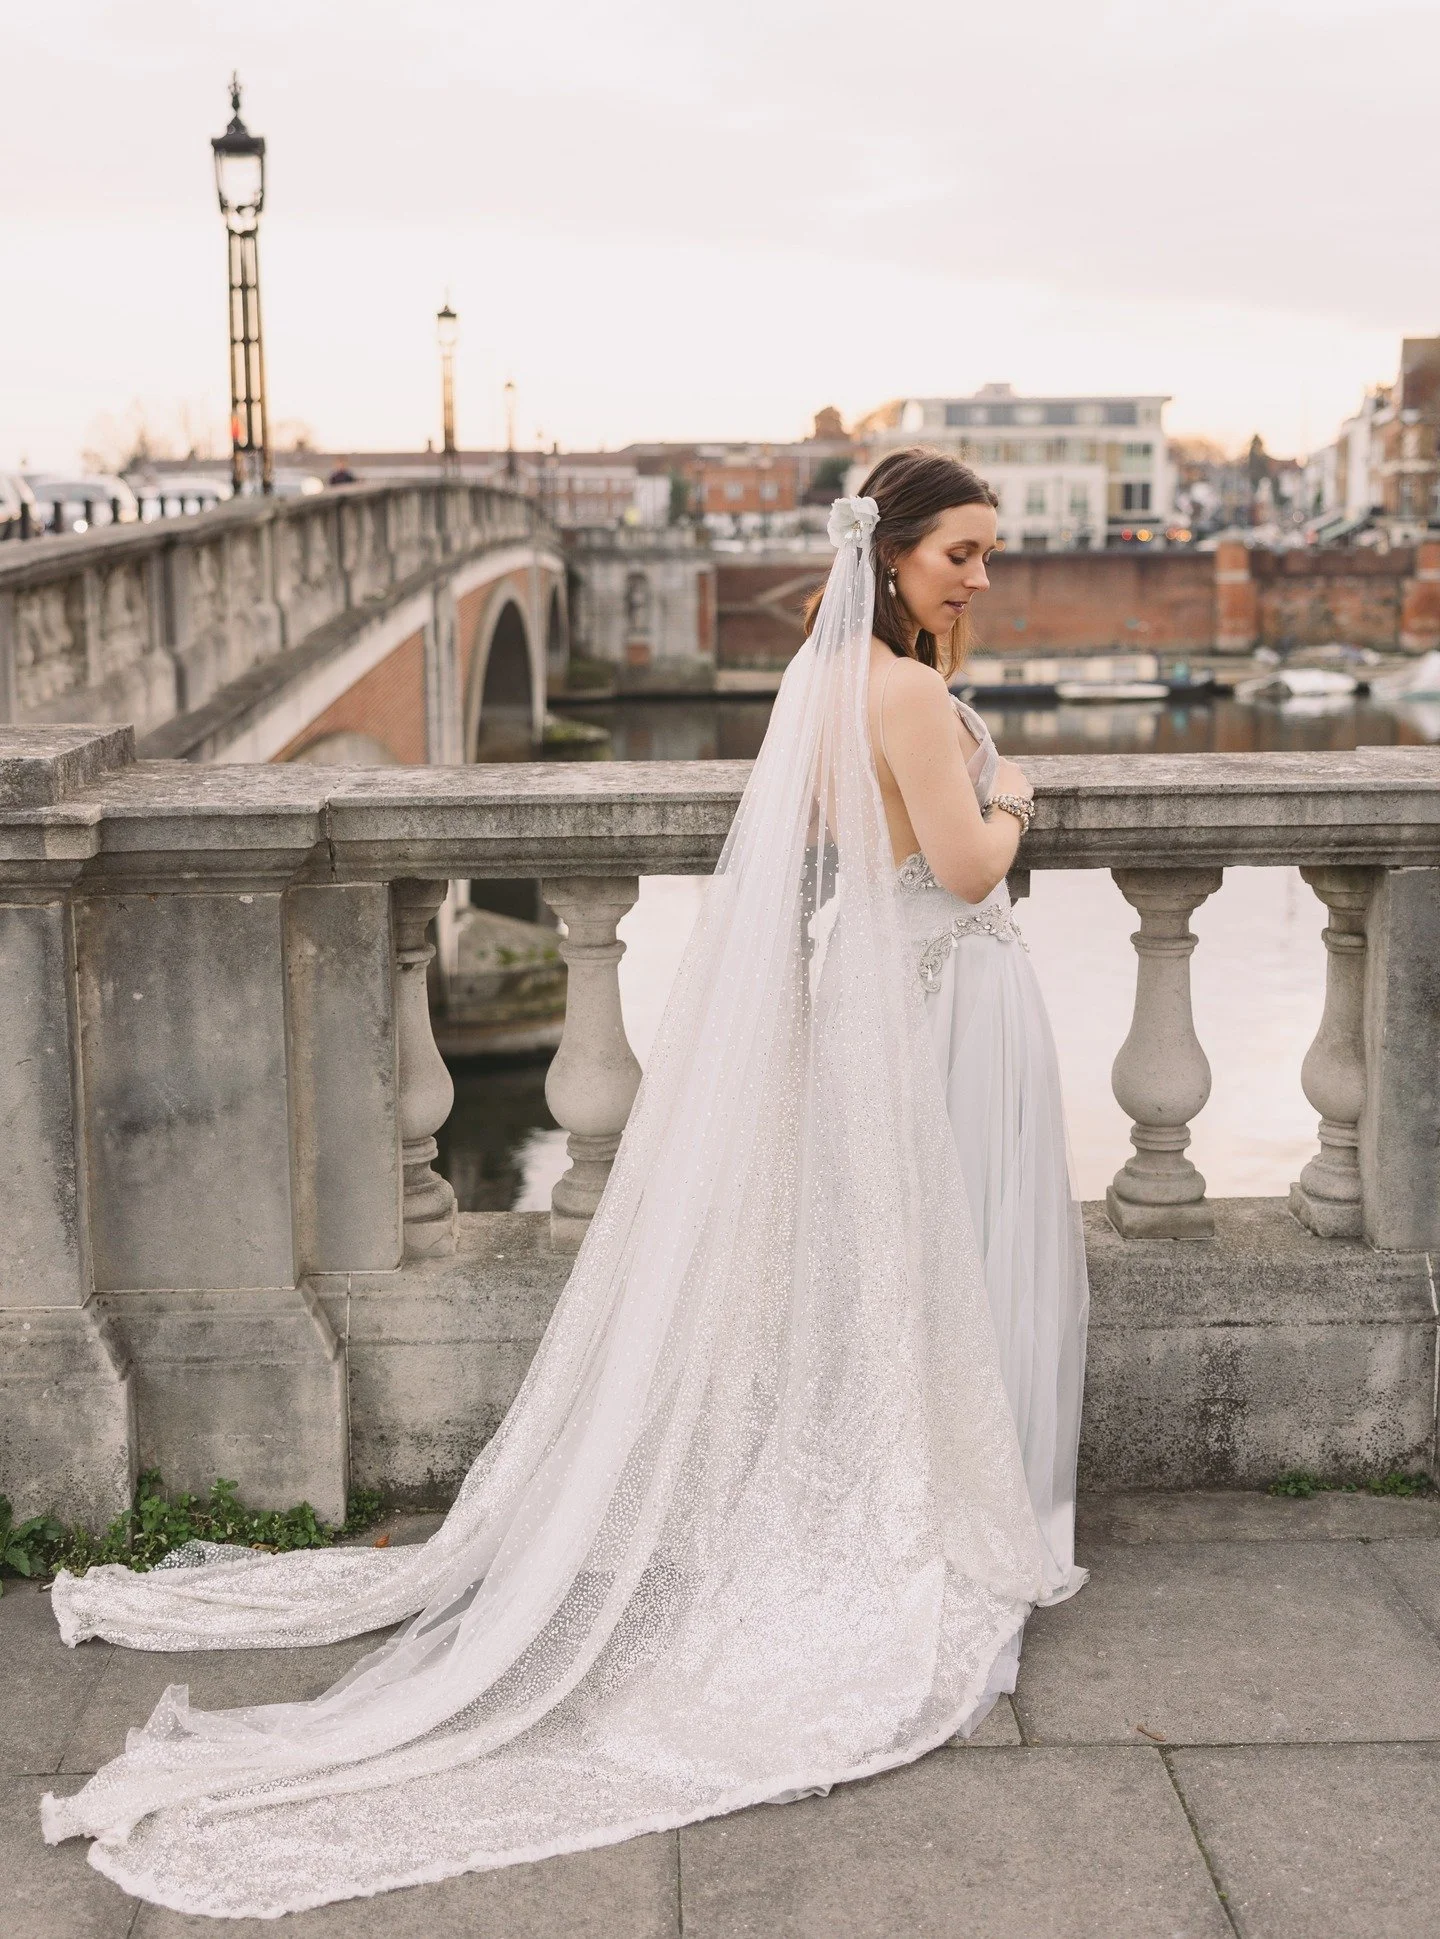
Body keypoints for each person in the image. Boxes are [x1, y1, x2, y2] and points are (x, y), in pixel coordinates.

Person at [42, 450, 1087, 1920]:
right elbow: (971, 867)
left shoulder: (813, 682)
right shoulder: (910, 694)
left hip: (879, 1002)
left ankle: (909, 1468)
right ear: (895, 553)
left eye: (990, 554)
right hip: (949, 993)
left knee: (891, 1265)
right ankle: (958, 1499)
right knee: (958, 1250)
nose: (981, 577)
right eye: (963, 553)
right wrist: (1020, 789)